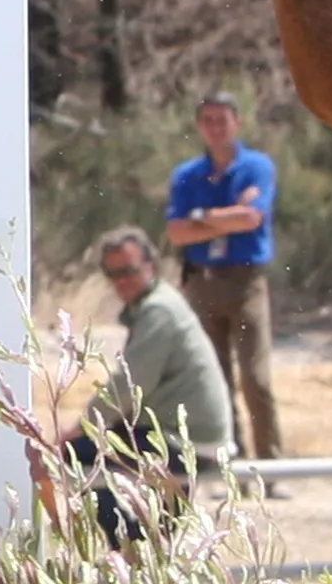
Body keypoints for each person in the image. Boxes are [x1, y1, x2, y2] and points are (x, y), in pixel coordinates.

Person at [77, 223, 232, 541]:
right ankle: (147, 543)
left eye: (129, 270)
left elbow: (130, 385)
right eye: (113, 274)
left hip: (185, 439)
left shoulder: (159, 311)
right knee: (95, 452)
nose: (121, 281)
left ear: (152, 264)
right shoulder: (157, 305)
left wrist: (82, 427)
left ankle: (131, 545)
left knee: (72, 454)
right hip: (179, 431)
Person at [161, 92, 286, 464]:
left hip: (244, 282)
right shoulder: (187, 175)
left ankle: (269, 463)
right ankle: (229, 461)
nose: (216, 128)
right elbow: (177, 233)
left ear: (238, 123)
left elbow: (251, 219)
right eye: (208, 121)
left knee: (255, 378)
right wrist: (224, 216)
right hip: (201, 281)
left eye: (223, 119)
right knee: (214, 378)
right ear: (199, 127)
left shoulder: (256, 167)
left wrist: (201, 217)